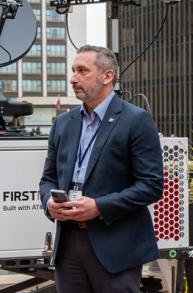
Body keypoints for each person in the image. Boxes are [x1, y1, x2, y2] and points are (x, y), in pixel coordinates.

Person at [38, 45, 164, 292]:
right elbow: (47, 179)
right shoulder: (63, 123)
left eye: (82, 71)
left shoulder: (136, 121)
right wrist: (49, 204)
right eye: (73, 70)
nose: (73, 78)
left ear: (107, 76)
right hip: (68, 246)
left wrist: (99, 207)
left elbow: (151, 185)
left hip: (116, 247)